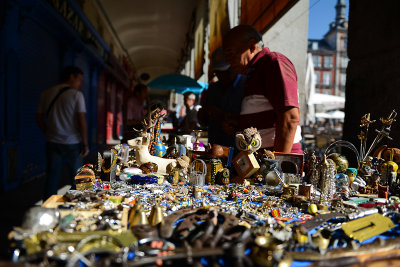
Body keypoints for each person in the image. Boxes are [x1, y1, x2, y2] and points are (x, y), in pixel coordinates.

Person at [223, 25, 302, 153]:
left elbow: (290, 118)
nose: (228, 61)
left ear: (252, 46)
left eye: (231, 53)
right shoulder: (253, 72)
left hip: (275, 163)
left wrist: (276, 165)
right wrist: (239, 123)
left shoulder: (273, 62)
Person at [36, 66, 89, 200]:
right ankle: (78, 207)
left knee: (52, 177)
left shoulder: (46, 93)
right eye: (79, 79)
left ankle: (47, 208)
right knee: (77, 178)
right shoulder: (77, 95)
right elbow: (81, 120)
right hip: (72, 143)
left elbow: (38, 118)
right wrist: (86, 143)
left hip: (52, 142)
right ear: (72, 76)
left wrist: (48, 132)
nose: (80, 83)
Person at [198, 47, 246, 147]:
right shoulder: (213, 89)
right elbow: (204, 121)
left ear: (233, 66)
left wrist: (224, 116)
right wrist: (203, 114)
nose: (221, 75)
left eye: (224, 72)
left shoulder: (247, 85)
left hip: (239, 149)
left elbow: (253, 121)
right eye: (217, 72)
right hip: (215, 146)